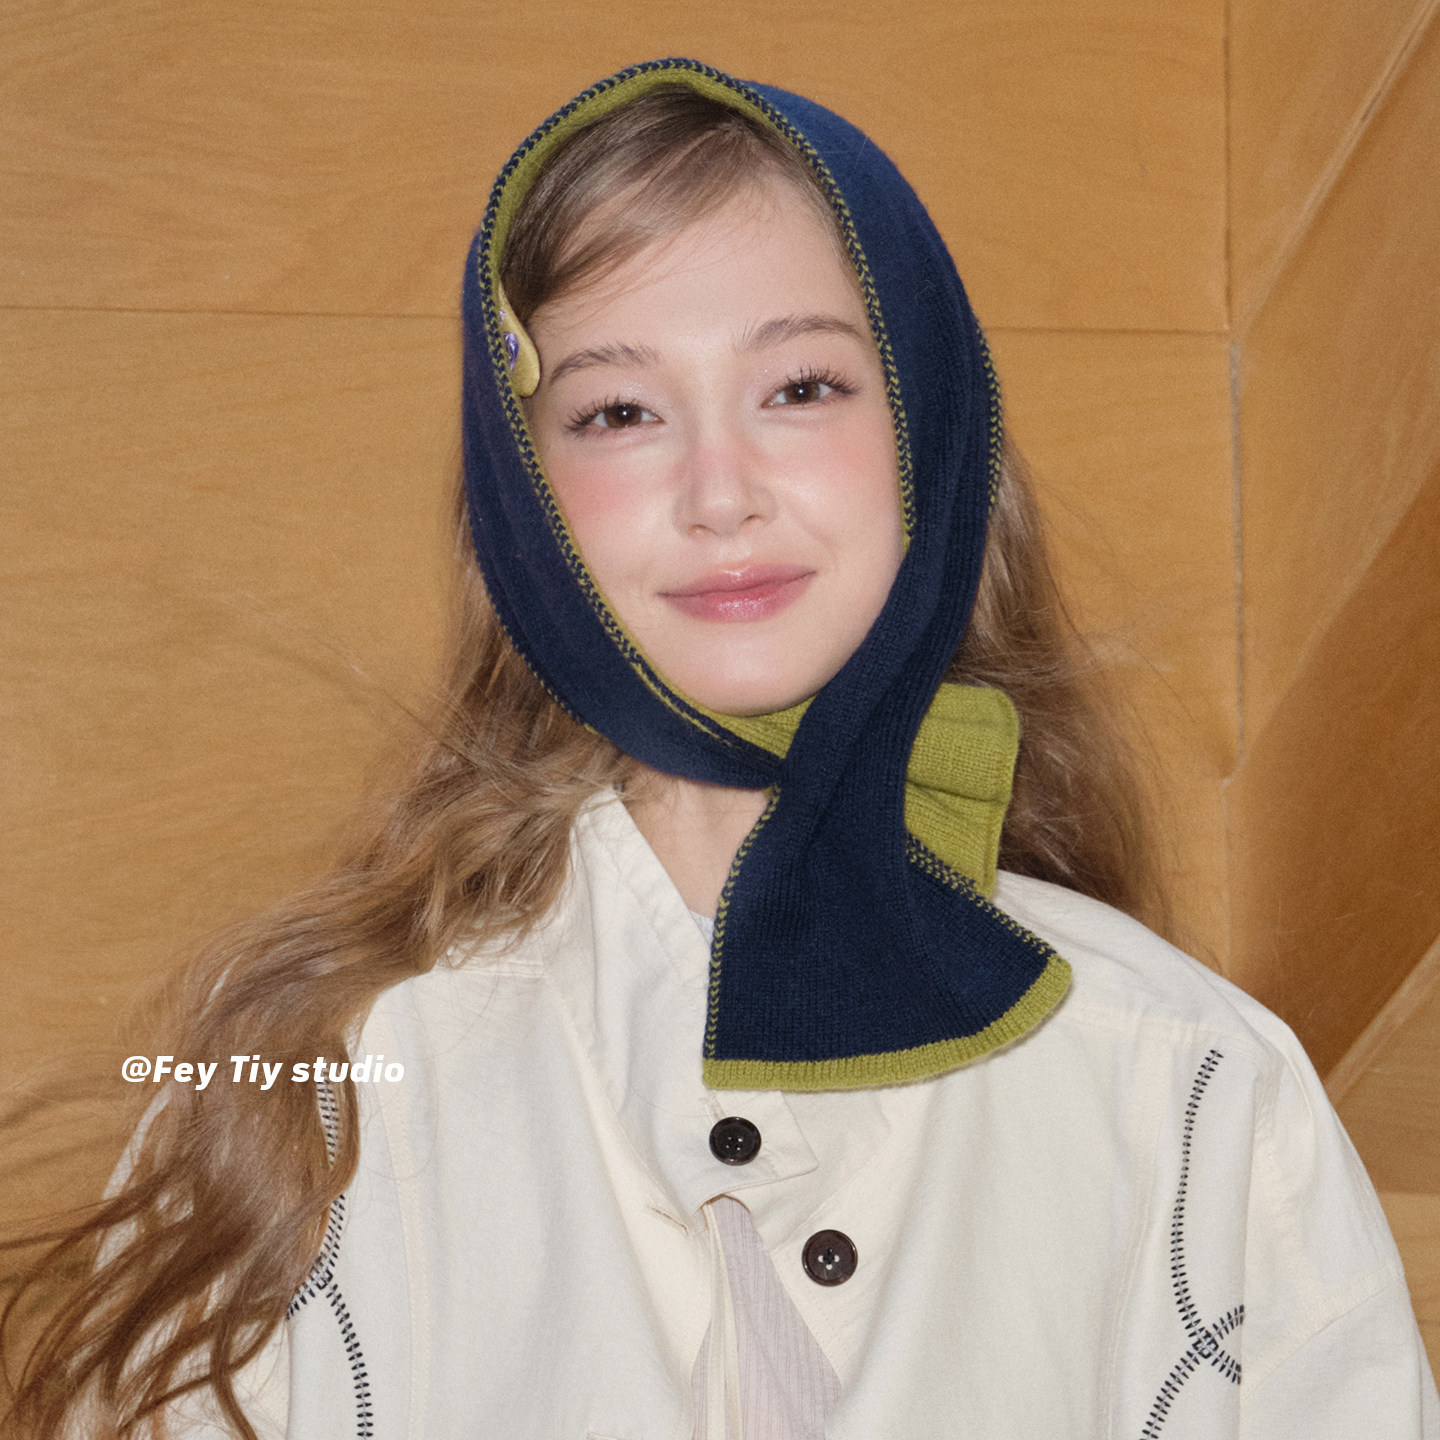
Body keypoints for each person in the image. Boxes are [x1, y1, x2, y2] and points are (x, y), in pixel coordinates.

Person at [4, 57, 1436, 1440]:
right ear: (521, 497)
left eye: (800, 387)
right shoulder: (310, 1084)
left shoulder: (1194, 1083)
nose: (719, 492)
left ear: (933, 428)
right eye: (619, 412)